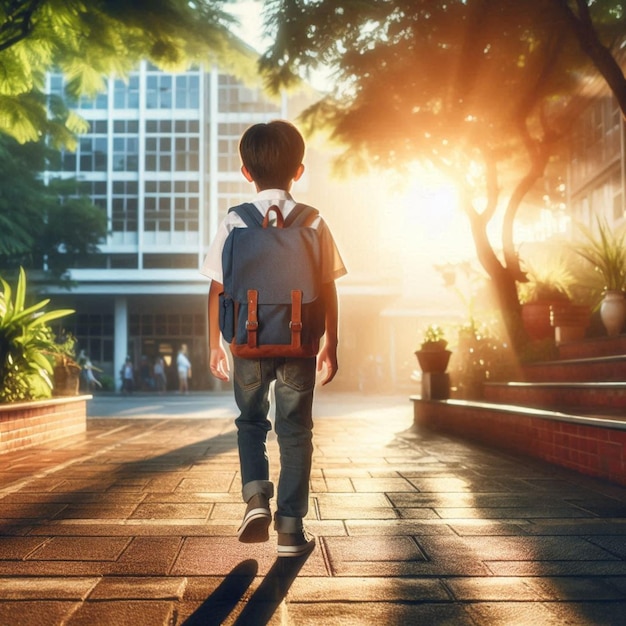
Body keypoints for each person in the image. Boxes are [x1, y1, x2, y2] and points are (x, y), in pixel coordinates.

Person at [201, 120, 346, 557]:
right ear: (298, 171)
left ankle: (255, 500)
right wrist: (330, 345)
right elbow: (331, 285)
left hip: (246, 344)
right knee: (295, 430)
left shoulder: (235, 220)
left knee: (250, 422)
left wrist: (214, 343)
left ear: (246, 172)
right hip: (299, 345)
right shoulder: (315, 220)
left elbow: (217, 286)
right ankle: (289, 528)